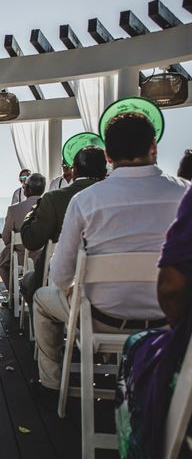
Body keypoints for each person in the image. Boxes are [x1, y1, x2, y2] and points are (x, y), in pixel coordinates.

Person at [32, 113, 188, 392]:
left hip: (103, 321)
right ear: (154, 146)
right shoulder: (185, 195)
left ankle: (52, 383)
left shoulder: (85, 201)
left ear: (108, 155)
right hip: (170, 321)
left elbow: (59, 276)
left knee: (41, 300)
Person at [116, 185, 192, 459]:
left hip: (100, 314)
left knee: (137, 345)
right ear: (152, 148)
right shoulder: (177, 190)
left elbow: (173, 286)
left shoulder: (82, 202)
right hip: (154, 317)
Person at [20, 147, 107, 303]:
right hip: (113, 291)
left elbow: (32, 241)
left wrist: (32, 212)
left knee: (29, 284)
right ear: (104, 170)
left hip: (66, 286)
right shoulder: (121, 197)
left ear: (75, 171)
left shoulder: (54, 198)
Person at [0, 173, 45, 289]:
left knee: (2, 262)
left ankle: (13, 293)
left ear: (26, 189)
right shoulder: (50, 208)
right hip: (44, 255)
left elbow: (6, 238)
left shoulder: (14, 210)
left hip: (20, 256)